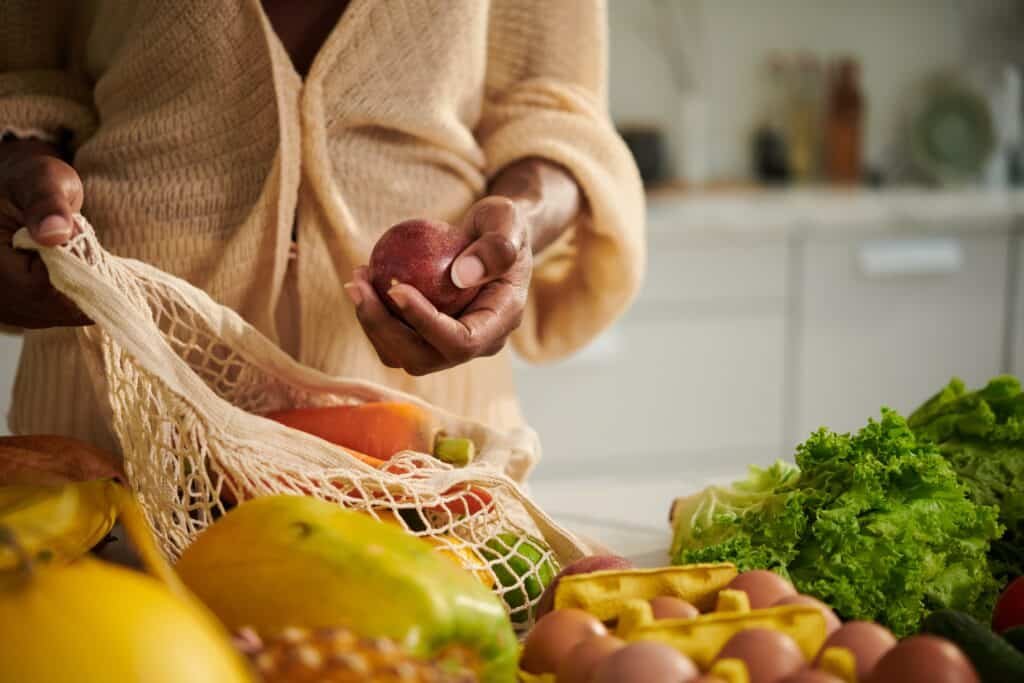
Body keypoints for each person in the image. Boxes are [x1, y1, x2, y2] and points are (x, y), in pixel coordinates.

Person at [0, 1, 644, 451]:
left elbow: (555, 106)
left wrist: (516, 228)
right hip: (124, 384)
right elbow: (17, 68)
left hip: (423, 423)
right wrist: (19, 182)